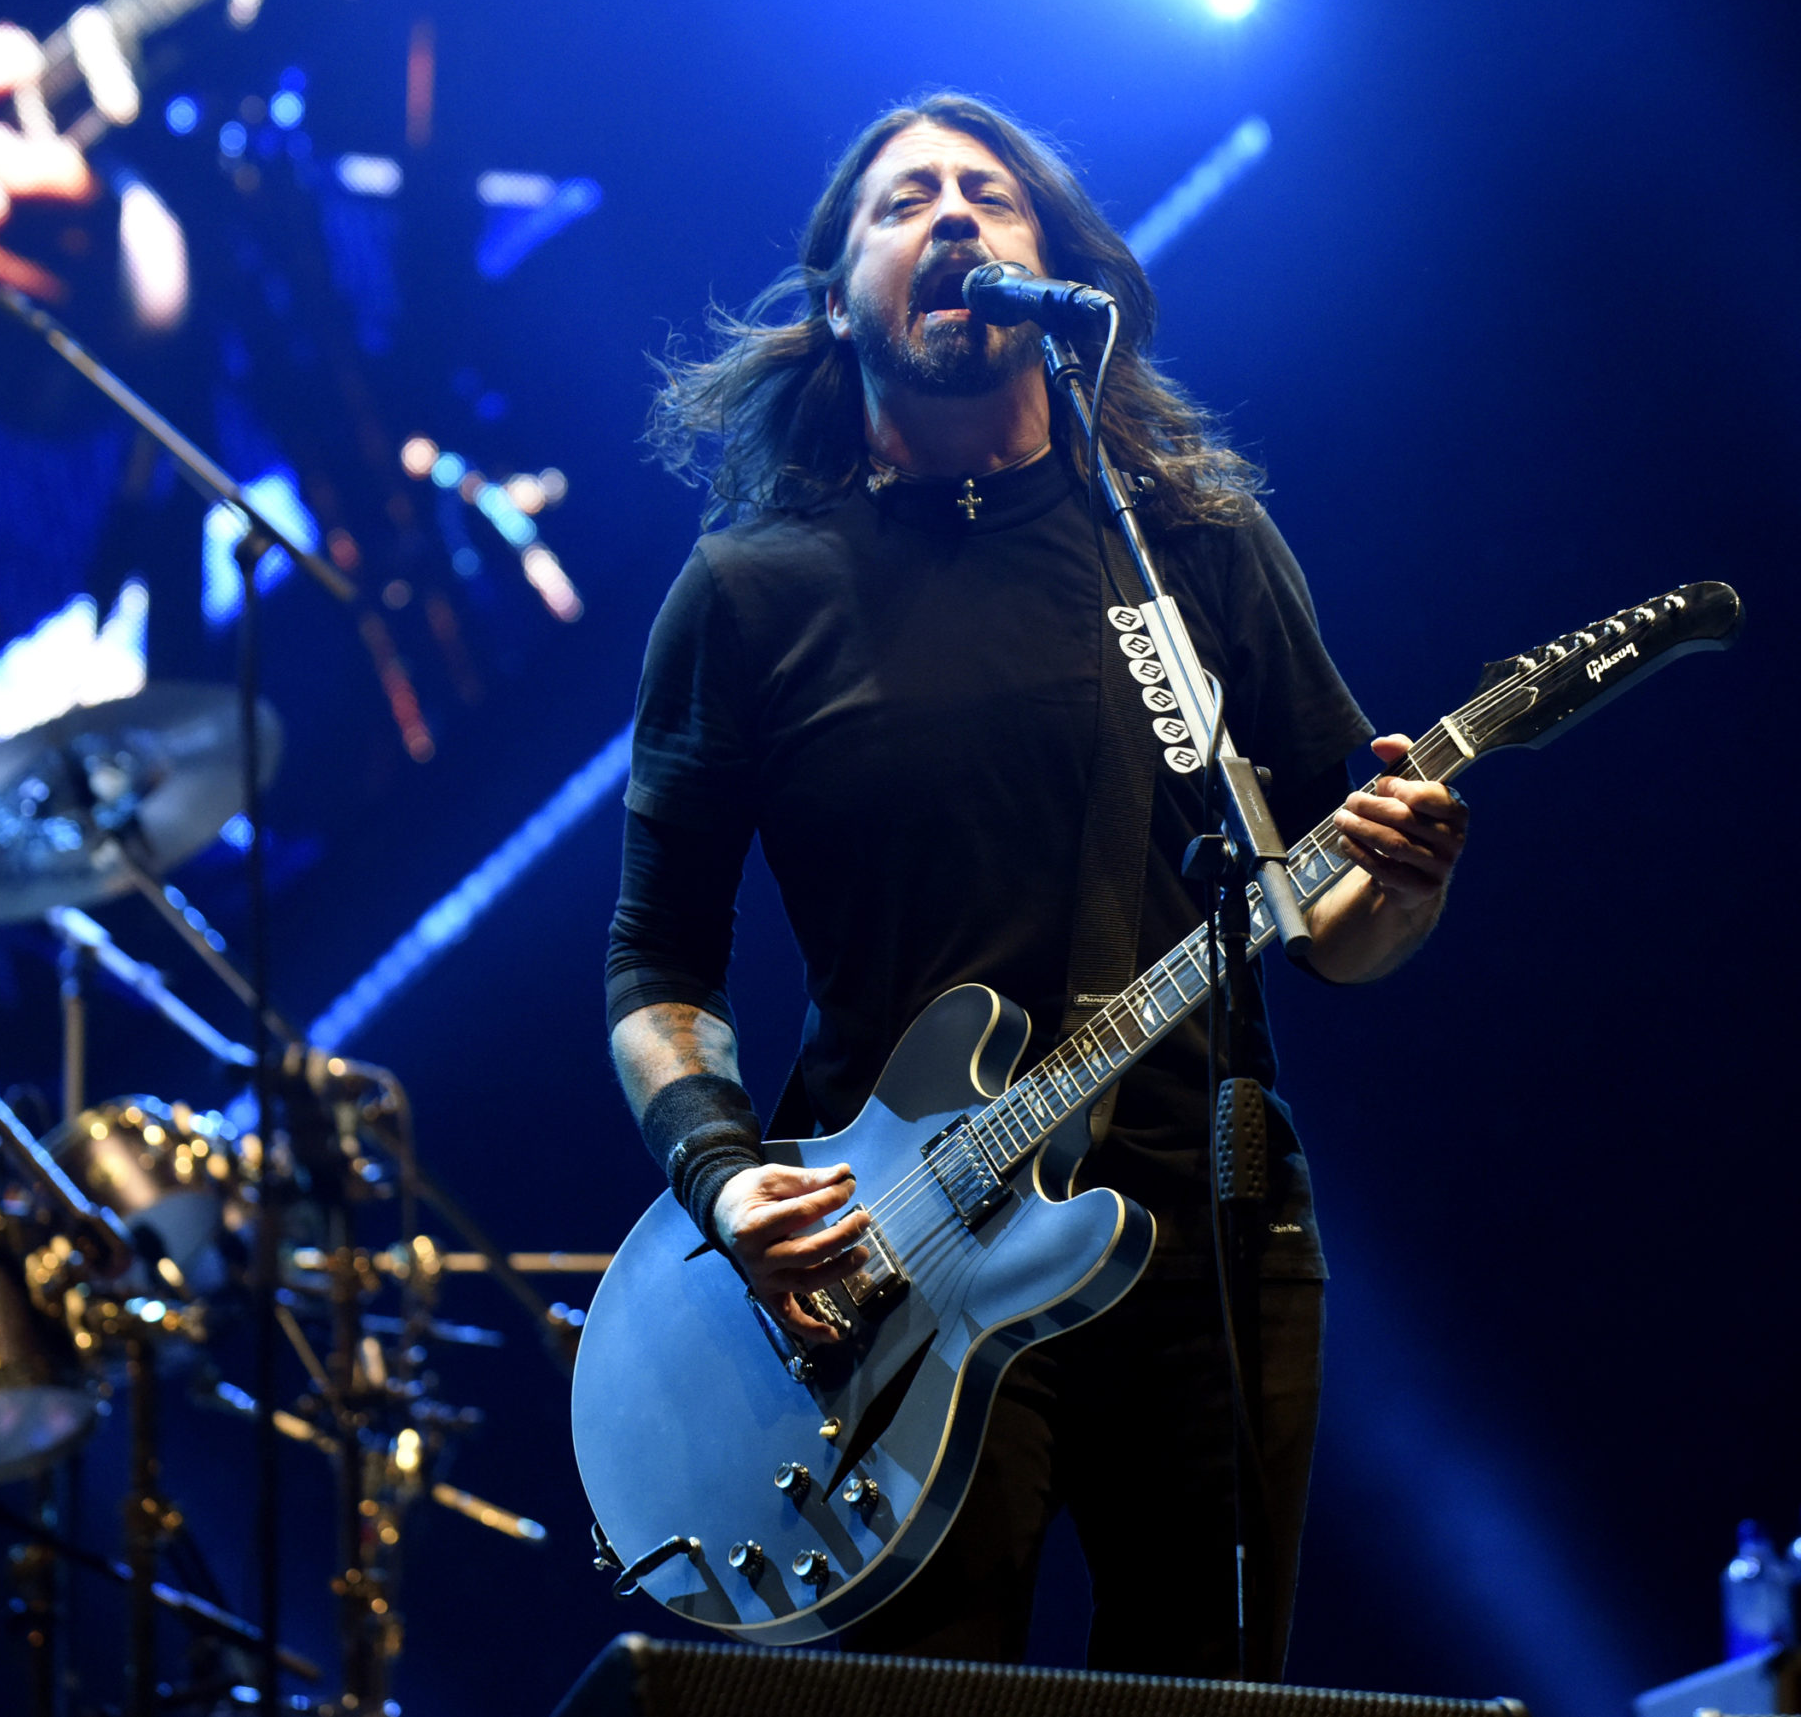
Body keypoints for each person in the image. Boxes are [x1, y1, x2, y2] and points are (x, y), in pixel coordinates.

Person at [607, 92, 1469, 1675]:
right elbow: (656, 963)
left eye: (991, 195)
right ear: (832, 303)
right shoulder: (748, 594)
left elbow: (1326, 920)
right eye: (905, 200)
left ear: (1055, 271)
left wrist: (1398, 893)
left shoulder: (1194, 544)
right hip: (899, 1271)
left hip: (1211, 1228)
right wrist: (725, 1178)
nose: (954, 216)